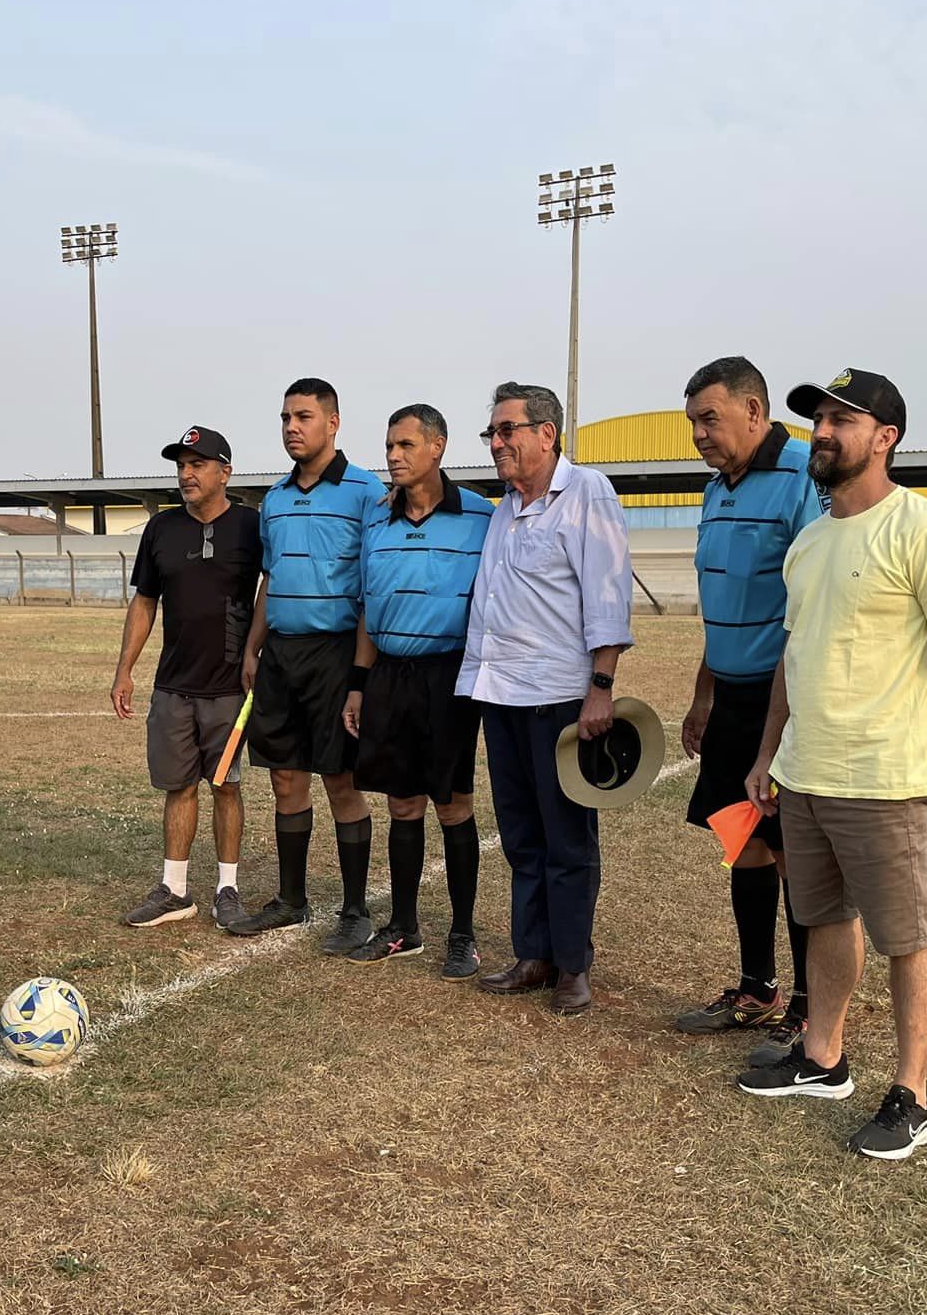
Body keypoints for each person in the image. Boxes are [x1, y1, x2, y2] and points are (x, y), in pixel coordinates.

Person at [738, 370, 927, 1161]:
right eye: (818, 418)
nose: (823, 430)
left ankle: (913, 1097)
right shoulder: (811, 539)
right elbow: (794, 652)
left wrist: (918, 719)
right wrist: (768, 750)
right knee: (822, 918)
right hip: (806, 771)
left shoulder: (926, 529)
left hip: (883, 778)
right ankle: (823, 1058)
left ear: (885, 437)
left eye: (843, 419)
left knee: (905, 937)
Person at [458, 381, 636, 1015]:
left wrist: (601, 688)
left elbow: (608, 594)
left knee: (566, 837)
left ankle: (572, 965)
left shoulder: (586, 492)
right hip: (499, 694)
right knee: (520, 833)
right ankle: (532, 953)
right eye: (493, 432)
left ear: (546, 434)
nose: (497, 443)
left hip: (561, 698)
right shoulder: (503, 507)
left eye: (507, 431)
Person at [672, 357, 823, 1062]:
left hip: (784, 699)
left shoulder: (802, 479)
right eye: (694, 421)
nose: (700, 433)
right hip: (730, 696)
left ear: (755, 412)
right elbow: (722, 606)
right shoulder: (715, 492)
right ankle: (756, 988)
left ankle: (810, 1004)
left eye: (711, 418)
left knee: (796, 854)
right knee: (744, 841)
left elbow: (812, 605)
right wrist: (703, 694)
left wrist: (782, 717)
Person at [229, 379, 387, 954]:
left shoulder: (367, 493)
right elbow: (269, 581)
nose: (292, 427)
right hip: (281, 658)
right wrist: (253, 646)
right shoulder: (272, 498)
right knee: (285, 778)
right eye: (285, 418)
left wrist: (361, 675)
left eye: (304, 416)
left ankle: (353, 909)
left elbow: (372, 587)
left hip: (336, 654)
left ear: (334, 422)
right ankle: (291, 900)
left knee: (341, 780)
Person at [342, 404, 494, 978]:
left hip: (449, 678)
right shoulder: (377, 522)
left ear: (438, 447)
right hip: (388, 675)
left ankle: (462, 934)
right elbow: (366, 611)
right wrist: (358, 686)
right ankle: (405, 927)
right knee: (401, 803)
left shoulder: (480, 517)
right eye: (388, 446)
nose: (393, 456)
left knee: (453, 806)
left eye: (405, 445)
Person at [110, 425, 263, 929]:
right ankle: (175, 889)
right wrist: (125, 669)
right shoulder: (161, 529)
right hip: (174, 686)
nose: (186, 473)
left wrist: (255, 649)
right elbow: (145, 600)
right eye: (181, 465)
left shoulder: (251, 525)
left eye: (197, 464)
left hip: (227, 688)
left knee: (225, 786)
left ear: (225, 471)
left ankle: (228, 888)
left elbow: (273, 586)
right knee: (178, 786)